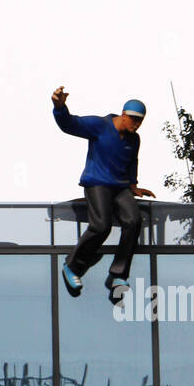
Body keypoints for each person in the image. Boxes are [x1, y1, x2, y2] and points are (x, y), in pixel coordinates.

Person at [51, 86, 156, 303]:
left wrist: (134, 184)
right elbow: (71, 124)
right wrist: (60, 108)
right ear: (123, 115)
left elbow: (132, 161)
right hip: (97, 182)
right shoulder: (100, 125)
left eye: (140, 121)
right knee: (101, 226)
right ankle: (72, 266)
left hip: (120, 187)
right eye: (133, 120)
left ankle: (117, 276)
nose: (136, 125)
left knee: (134, 221)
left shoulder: (134, 139)